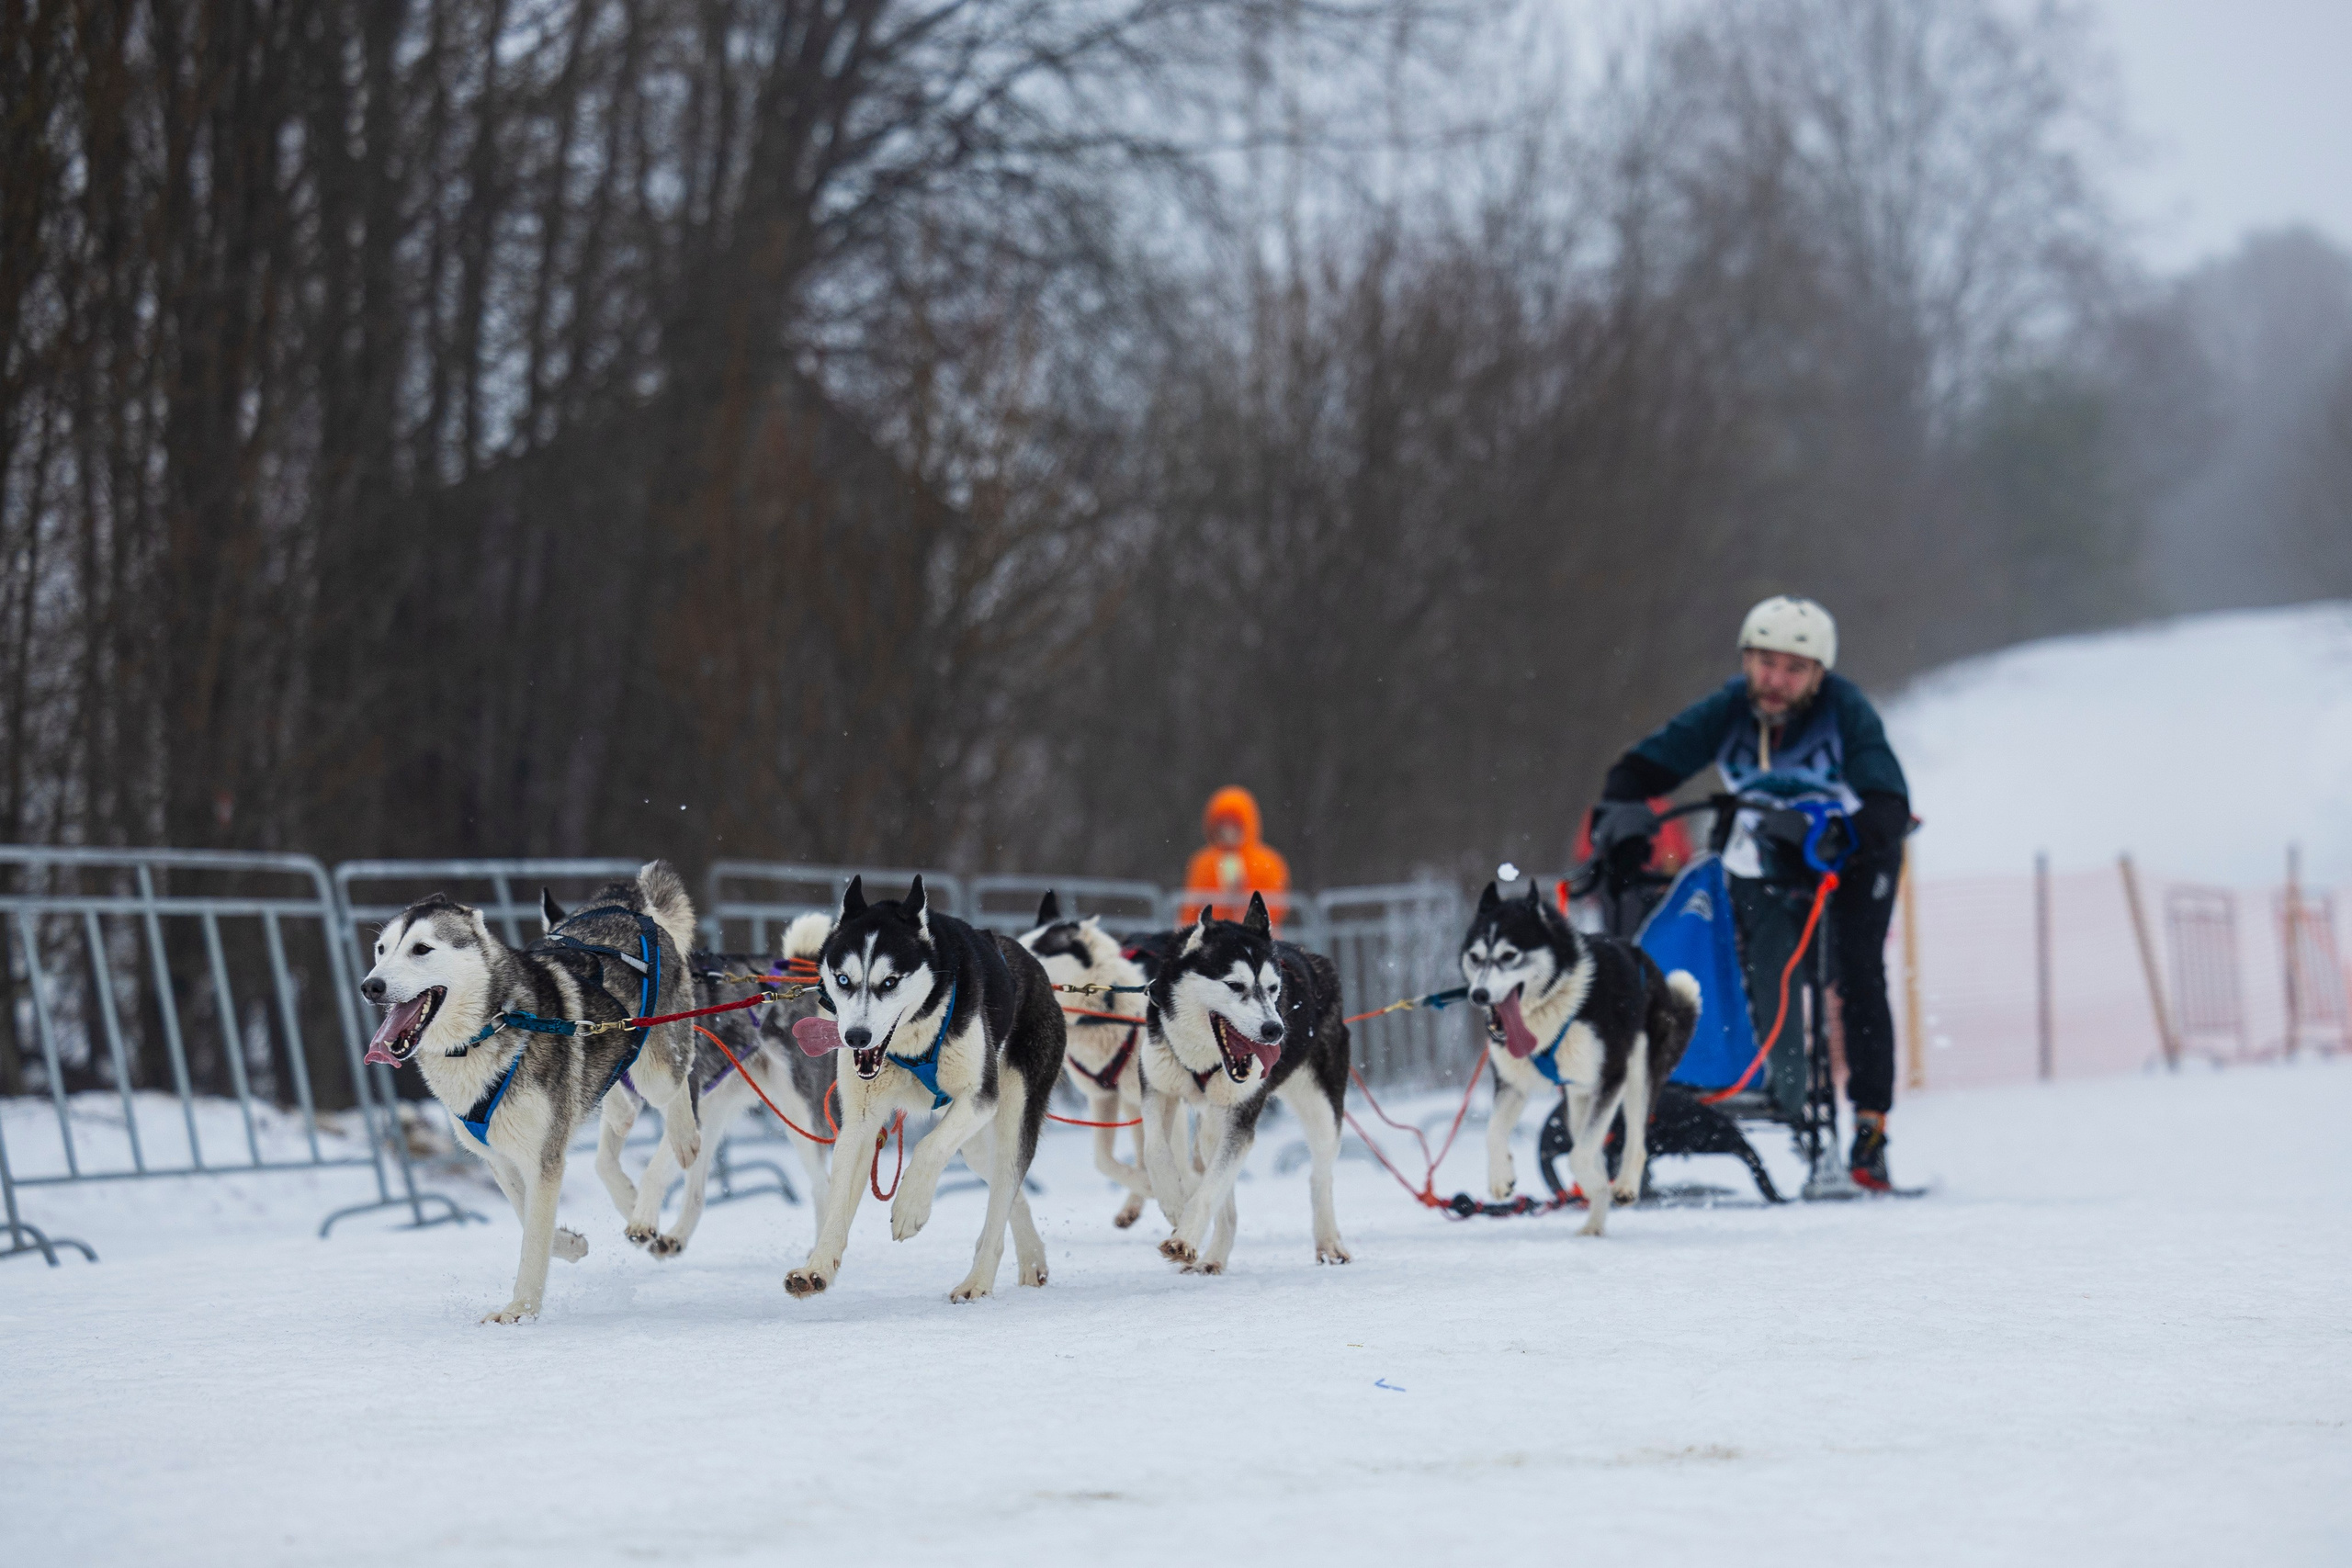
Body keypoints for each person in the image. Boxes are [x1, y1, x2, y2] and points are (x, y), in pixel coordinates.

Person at [1587, 596, 1912, 1192]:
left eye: (1793, 669)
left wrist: (1842, 833)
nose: (1775, 681)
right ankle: (1768, 1087)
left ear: (1819, 673)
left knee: (1858, 971)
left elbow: (1890, 804)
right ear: (1746, 661)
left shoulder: (1847, 712)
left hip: (1855, 856)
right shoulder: (1730, 710)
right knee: (1765, 966)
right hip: (1765, 855)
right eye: (1764, 663)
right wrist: (1622, 818)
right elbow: (1639, 769)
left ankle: (1869, 1126)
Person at [1182, 786, 1292, 929]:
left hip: (1255, 937)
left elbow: (1277, 907)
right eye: (1222, 823)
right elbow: (1191, 910)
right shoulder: (1203, 862)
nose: (1228, 830)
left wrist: (1244, 896)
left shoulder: (1268, 861)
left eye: (1234, 824)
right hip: (1212, 935)